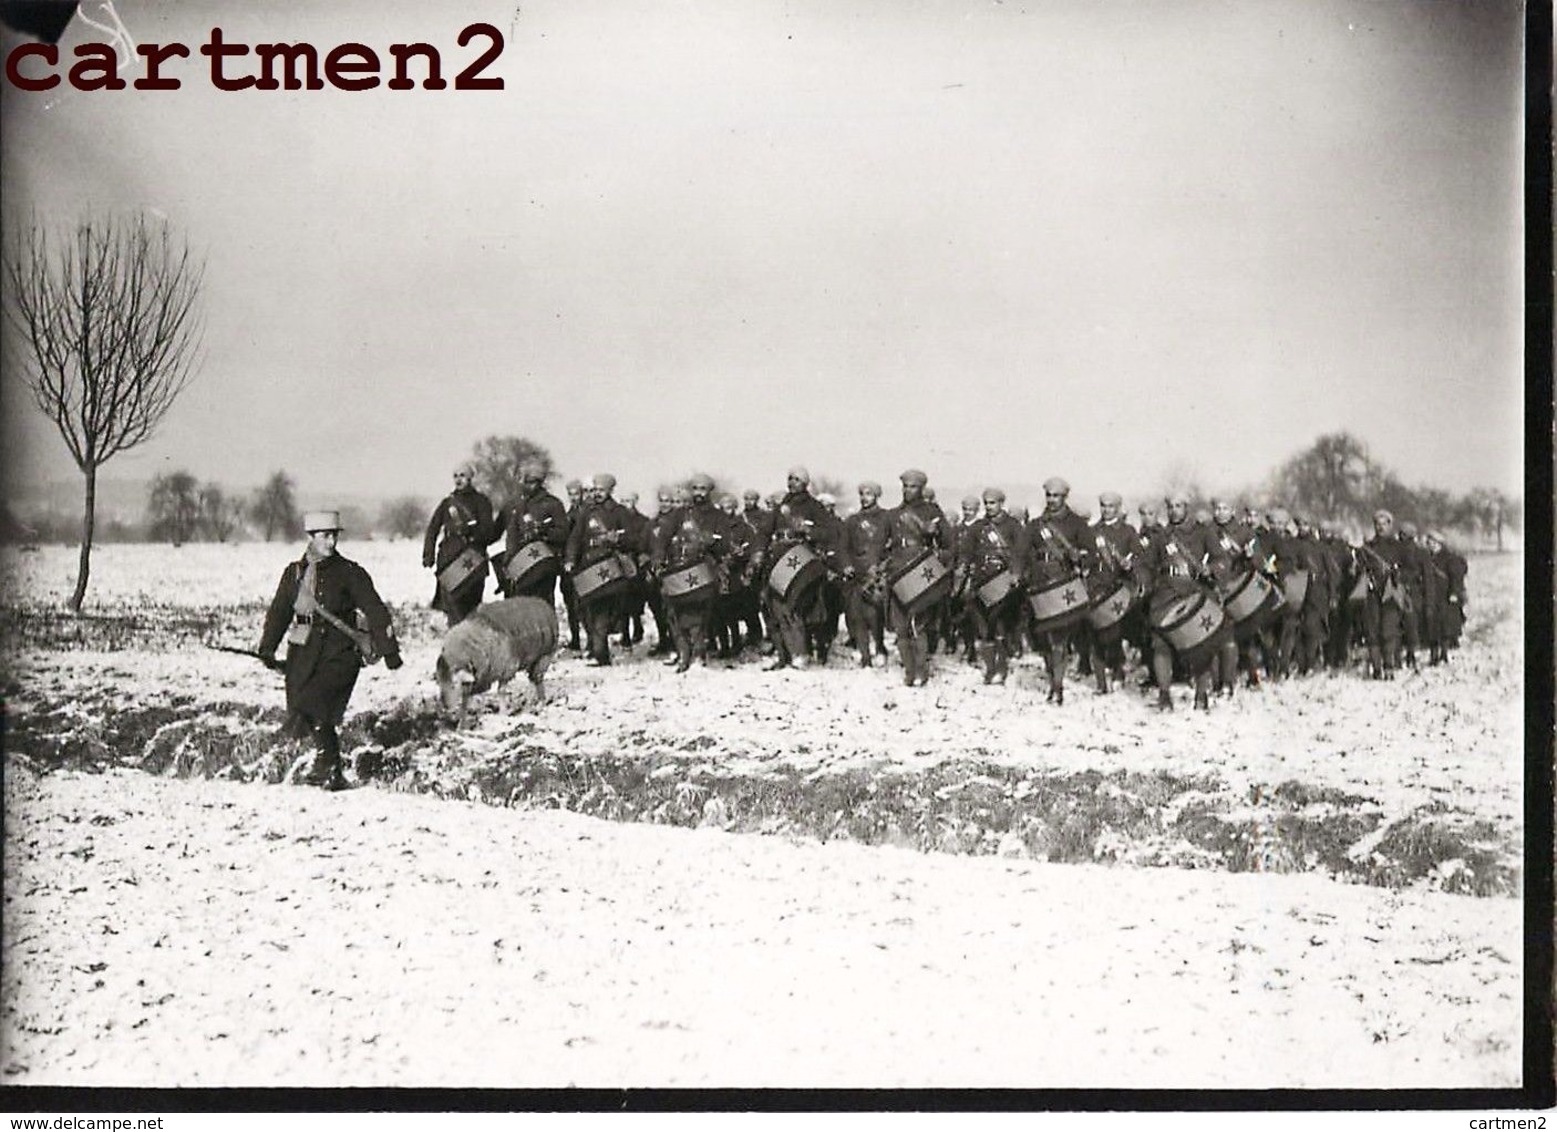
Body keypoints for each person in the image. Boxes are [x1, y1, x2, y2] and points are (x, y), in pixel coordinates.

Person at [257, 510, 403, 790]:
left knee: (315, 702)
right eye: (325, 536)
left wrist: (390, 651)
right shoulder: (294, 573)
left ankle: (329, 765)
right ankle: (328, 768)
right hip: (303, 652)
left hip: (340, 653)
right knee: (307, 708)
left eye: (334, 535)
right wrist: (267, 647)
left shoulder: (350, 573)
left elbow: (375, 610)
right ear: (311, 537)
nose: (332, 542)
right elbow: (279, 613)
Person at [755, 466, 836, 670]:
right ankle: (782, 654)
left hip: (800, 558)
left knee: (792, 607)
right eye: (790, 479)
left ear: (805, 483)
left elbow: (829, 532)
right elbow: (765, 531)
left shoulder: (814, 506)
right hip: (778, 556)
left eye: (797, 480)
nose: (792, 483)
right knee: (775, 608)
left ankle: (800, 653)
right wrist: (758, 552)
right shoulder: (781, 505)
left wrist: (809, 530)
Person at [650, 473, 730, 671]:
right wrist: (658, 558)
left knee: (698, 614)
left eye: (703, 489)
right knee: (673, 612)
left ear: (709, 491)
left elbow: (726, 544)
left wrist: (712, 541)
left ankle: (698, 653)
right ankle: (682, 651)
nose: (699, 493)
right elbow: (662, 538)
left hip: (704, 568)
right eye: (695, 489)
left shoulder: (718, 516)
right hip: (677, 568)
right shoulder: (679, 514)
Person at [881, 468, 952, 686]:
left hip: (920, 572)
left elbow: (950, 546)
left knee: (918, 625)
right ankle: (909, 671)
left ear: (921, 489)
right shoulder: (892, 515)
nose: (908, 490)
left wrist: (935, 535)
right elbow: (880, 547)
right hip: (897, 571)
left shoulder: (932, 512)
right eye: (905, 486)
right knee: (900, 626)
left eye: (913, 486)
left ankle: (921, 671)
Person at [564, 474, 640, 666]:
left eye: (601, 490)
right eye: (595, 490)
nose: (597, 494)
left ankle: (602, 649)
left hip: (612, 568)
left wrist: (618, 539)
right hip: (589, 568)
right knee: (590, 611)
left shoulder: (620, 512)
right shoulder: (586, 513)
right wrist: (571, 559)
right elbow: (575, 538)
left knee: (607, 610)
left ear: (610, 491)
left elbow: (633, 539)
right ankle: (600, 650)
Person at [958, 487, 1024, 685]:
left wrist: (1015, 573)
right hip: (981, 582)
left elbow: (1020, 553)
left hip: (1004, 583)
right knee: (984, 629)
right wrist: (963, 565)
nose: (989, 506)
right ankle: (990, 669)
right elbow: (967, 551)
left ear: (1001, 503)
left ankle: (1001, 668)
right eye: (986, 503)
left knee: (1001, 627)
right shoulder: (977, 527)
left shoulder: (1013, 526)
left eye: (993, 502)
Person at [422, 463, 497, 628]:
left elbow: (489, 532)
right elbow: (432, 529)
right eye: (455, 476)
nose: (458, 479)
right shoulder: (447, 503)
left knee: (472, 610)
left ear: (470, 478)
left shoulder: (482, 501)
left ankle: (471, 644)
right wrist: (429, 554)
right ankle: (455, 644)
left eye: (462, 475)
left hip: (473, 561)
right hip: (449, 561)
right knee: (452, 609)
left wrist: (472, 532)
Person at [493, 461, 568, 606]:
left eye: (531, 482)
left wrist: (544, 532)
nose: (526, 485)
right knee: (516, 609)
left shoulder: (553, 504)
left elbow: (563, 533)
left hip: (541, 566)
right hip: (517, 566)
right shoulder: (513, 505)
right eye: (524, 481)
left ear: (540, 482)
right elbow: (498, 533)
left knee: (542, 607)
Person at [839, 481, 892, 667]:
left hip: (878, 573)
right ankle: (864, 655)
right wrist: (846, 565)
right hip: (857, 574)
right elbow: (843, 547)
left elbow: (892, 544)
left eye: (869, 494)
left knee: (875, 615)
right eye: (862, 493)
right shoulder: (852, 521)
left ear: (876, 496)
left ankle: (879, 646)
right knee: (857, 615)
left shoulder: (887, 518)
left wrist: (884, 564)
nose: (864, 497)